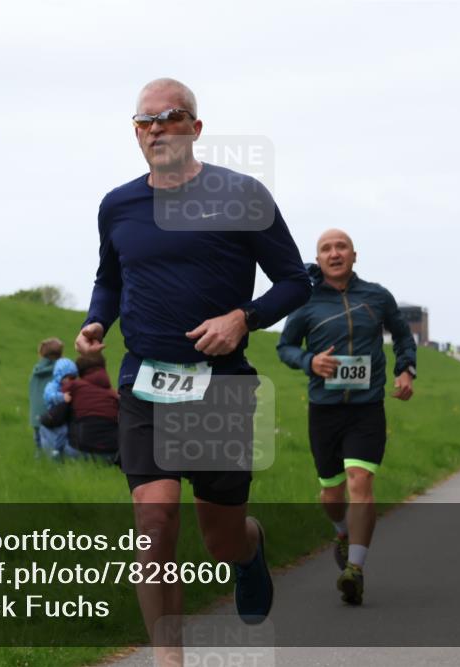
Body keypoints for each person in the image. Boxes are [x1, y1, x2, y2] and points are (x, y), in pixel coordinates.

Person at [75, 78, 310, 664]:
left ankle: (250, 549)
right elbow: (111, 276)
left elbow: (295, 281)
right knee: (154, 526)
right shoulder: (118, 205)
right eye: (143, 121)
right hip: (145, 382)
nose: (154, 128)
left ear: (195, 128)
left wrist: (243, 318)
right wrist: (96, 321)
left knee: (220, 541)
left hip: (219, 386)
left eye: (169, 116)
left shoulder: (242, 195)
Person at [277, 229, 416, 606]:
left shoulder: (377, 296)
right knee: (331, 495)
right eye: (326, 249)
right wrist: (310, 361)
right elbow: (285, 347)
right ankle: (341, 532)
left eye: (341, 247)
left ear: (355, 255)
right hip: (324, 410)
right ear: (318, 259)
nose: (334, 253)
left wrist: (406, 371)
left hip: (367, 408)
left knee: (361, 482)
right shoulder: (305, 302)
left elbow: (404, 336)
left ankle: (354, 570)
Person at [62, 352, 119, 463]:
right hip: (111, 455)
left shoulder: (74, 387)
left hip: (80, 452)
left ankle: (47, 457)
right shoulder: (114, 395)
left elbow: (55, 412)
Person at [39, 358, 80, 460]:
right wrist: (62, 397)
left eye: (73, 378)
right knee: (58, 432)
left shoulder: (70, 387)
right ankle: (55, 452)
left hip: (63, 416)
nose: (70, 381)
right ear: (59, 375)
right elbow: (49, 396)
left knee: (65, 431)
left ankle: (61, 452)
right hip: (53, 415)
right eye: (68, 378)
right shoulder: (52, 386)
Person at [29, 338, 63, 455]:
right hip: (51, 416)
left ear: (41, 354)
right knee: (52, 445)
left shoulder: (36, 370)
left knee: (38, 444)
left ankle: (39, 462)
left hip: (35, 416)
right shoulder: (60, 371)